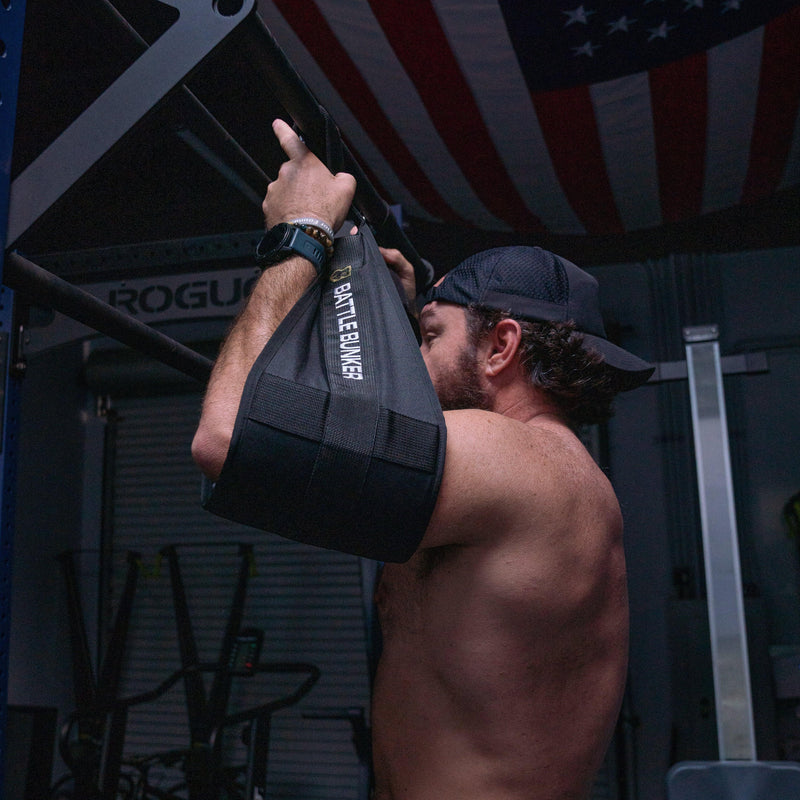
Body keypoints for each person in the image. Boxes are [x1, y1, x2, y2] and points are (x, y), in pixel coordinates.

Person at [192, 119, 654, 800]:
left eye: (430, 336)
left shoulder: (518, 460)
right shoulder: (553, 473)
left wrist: (301, 233)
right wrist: (387, 307)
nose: (414, 356)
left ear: (500, 347)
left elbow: (227, 438)